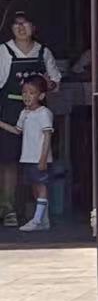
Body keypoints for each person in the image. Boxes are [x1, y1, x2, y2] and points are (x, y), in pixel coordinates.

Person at [0, 11, 61, 228]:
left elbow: (55, 81)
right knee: (8, 161)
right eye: (16, 24)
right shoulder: (4, 51)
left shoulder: (43, 52)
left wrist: (48, 84)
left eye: (24, 23)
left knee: (36, 162)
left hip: (37, 114)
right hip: (10, 109)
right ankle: (8, 209)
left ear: (33, 27)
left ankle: (38, 213)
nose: (20, 27)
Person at [0, 77, 54, 232]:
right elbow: (17, 131)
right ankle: (43, 219)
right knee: (35, 187)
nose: (27, 96)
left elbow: (47, 136)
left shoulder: (44, 113)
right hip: (28, 157)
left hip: (39, 157)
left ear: (41, 96)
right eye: (24, 92)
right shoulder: (24, 113)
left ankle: (37, 220)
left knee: (41, 186)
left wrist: (43, 158)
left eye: (32, 93)